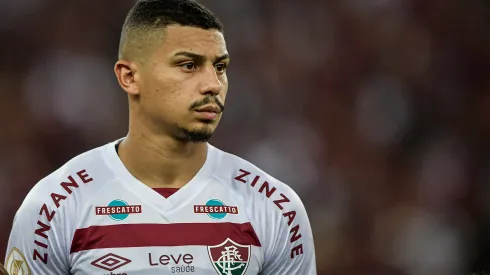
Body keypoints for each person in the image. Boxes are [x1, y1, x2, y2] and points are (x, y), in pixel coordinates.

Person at [4, 0, 316, 274]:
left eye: (219, 67)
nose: (213, 84)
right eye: (188, 65)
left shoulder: (275, 207)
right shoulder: (52, 207)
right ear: (130, 77)